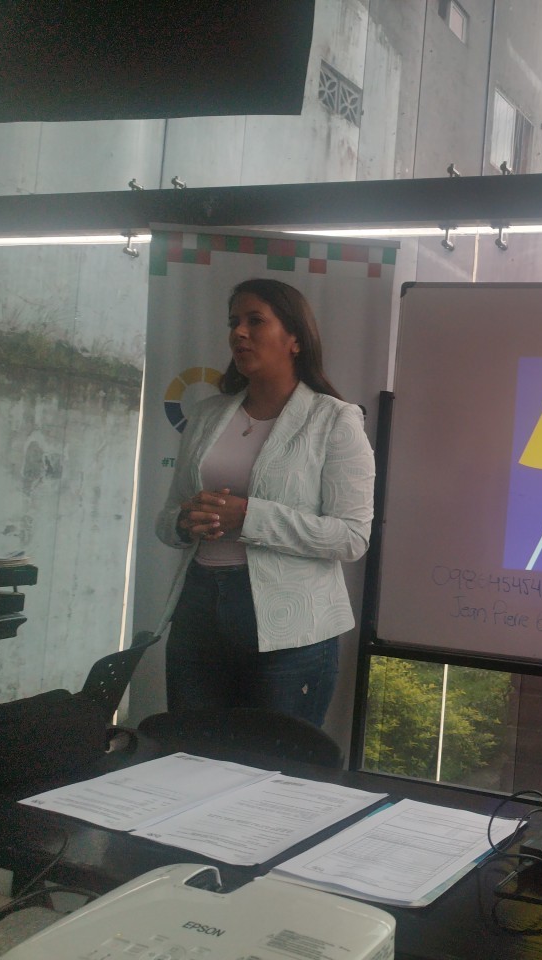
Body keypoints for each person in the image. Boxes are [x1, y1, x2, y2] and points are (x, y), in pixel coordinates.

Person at [156, 278, 374, 727]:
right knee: (188, 753)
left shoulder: (334, 419)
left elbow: (352, 537)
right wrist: (183, 522)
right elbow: (167, 517)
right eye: (234, 322)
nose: (239, 332)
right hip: (198, 608)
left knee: (270, 763)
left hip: (290, 627)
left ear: (295, 339)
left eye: (255, 321)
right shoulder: (207, 415)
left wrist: (249, 516)